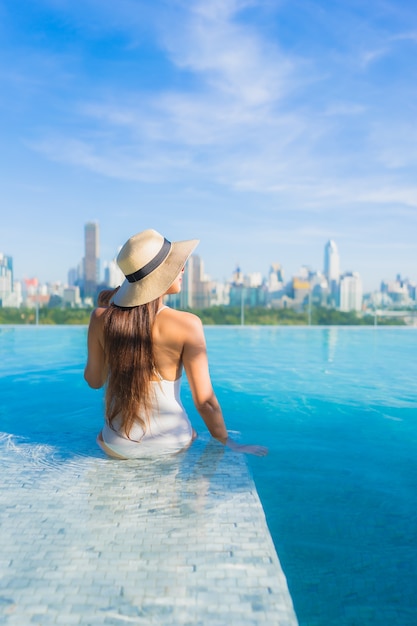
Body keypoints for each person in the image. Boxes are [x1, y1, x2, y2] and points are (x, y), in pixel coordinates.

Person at [84, 228, 267, 459]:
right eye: (175, 264)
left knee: (101, 437)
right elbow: (205, 403)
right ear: (159, 276)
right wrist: (228, 442)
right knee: (190, 433)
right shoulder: (188, 324)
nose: (182, 268)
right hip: (172, 444)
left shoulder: (100, 318)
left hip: (117, 446)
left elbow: (94, 381)